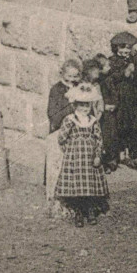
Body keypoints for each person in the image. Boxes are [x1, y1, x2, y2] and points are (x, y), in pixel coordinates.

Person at [54, 82, 109, 227]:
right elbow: (62, 138)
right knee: (77, 186)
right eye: (81, 105)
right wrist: (70, 151)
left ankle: (90, 211)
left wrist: (97, 155)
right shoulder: (70, 120)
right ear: (75, 105)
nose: (85, 108)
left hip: (90, 159)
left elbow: (98, 139)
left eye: (87, 105)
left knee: (90, 185)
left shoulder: (93, 121)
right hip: (76, 159)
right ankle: (78, 213)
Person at [108, 31, 137, 161]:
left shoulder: (133, 60)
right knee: (120, 124)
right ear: (116, 48)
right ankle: (120, 152)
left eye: (129, 48)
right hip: (119, 97)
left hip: (132, 97)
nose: (126, 51)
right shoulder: (112, 61)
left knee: (133, 123)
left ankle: (133, 152)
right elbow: (112, 77)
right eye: (123, 48)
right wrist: (125, 72)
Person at [47, 58, 82, 133]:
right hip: (61, 129)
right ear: (62, 74)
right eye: (69, 76)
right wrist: (70, 102)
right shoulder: (56, 89)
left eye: (75, 76)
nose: (71, 80)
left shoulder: (79, 87)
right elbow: (52, 114)